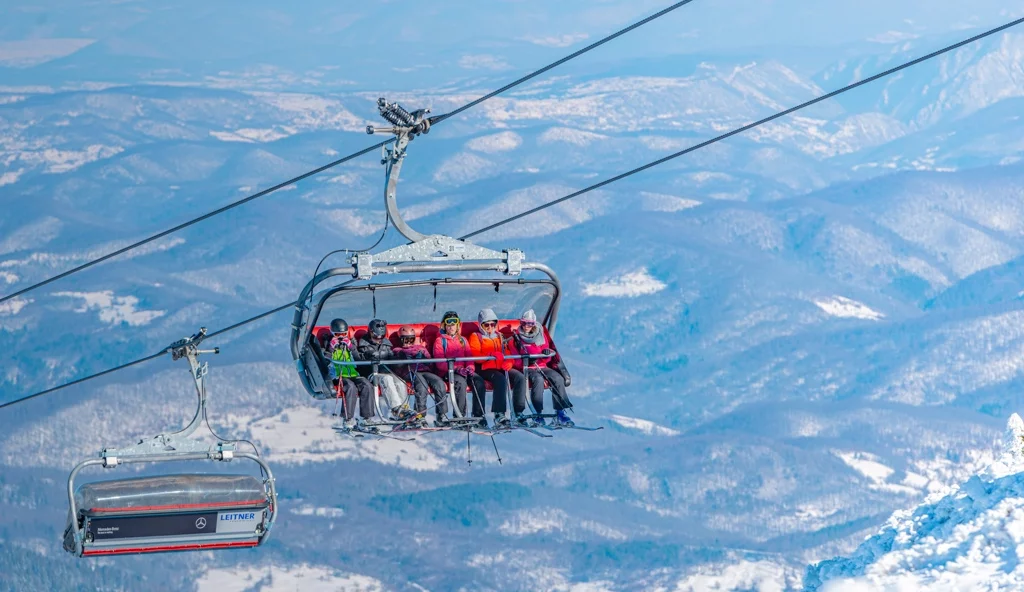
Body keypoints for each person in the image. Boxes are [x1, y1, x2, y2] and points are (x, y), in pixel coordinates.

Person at [509, 309, 574, 427]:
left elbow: (547, 358)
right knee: (538, 380)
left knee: (557, 378)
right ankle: (538, 414)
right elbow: (514, 361)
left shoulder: (541, 336)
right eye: (524, 323)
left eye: (530, 323)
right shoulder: (515, 339)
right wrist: (526, 360)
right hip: (526, 367)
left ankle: (560, 412)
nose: (526, 326)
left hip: (541, 365)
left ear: (534, 324)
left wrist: (544, 355)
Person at [468, 308, 529, 428]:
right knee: (500, 379)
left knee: (520, 377)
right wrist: (489, 356)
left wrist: (510, 363)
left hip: (500, 365)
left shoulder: (499, 336)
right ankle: (499, 414)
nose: (490, 327)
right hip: (484, 367)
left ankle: (518, 412)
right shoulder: (476, 336)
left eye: (493, 324)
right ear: (481, 325)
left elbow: (508, 353)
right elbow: (474, 354)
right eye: (486, 325)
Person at [433, 311, 488, 428]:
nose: (451, 327)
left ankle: (479, 415)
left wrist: (470, 367)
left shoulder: (462, 340)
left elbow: (469, 357)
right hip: (449, 371)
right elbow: (440, 362)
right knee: (460, 383)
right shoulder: (440, 341)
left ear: (458, 325)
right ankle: (460, 416)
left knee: (478, 381)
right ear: (444, 326)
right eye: (449, 324)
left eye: (454, 324)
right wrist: (456, 369)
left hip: (464, 370)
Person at [392, 325, 449, 427]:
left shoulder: (420, 348)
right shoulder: (398, 351)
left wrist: (424, 358)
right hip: (410, 371)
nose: (408, 342)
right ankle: (419, 416)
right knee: (421, 384)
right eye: (405, 340)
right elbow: (396, 366)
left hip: (424, 371)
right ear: (401, 340)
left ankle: (441, 415)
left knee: (439, 383)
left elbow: (430, 360)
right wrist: (404, 359)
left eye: (411, 339)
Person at [355, 319, 411, 421]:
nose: (378, 339)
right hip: (372, 374)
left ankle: (405, 409)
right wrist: (368, 357)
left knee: (400, 382)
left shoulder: (386, 344)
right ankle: (396, 410)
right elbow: (359, 362)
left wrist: (398, 360)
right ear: (371, 332)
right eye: (376, 336)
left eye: (381, 337)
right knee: (387, 379)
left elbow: (391, 357)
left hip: (386, 371)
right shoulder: (363, 345)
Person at [326, 318, 373, 428]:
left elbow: (358, 359)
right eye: (338, 334)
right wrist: (331, 348)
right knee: (350, 387)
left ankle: (366, 418)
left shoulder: (351, 343)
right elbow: (325, 361)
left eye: (343, 334)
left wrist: (352, 347)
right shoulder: (328, 343)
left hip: (353, 373)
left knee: (367, 385)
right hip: (338, 375)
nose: (341, 337)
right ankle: (348, 418)